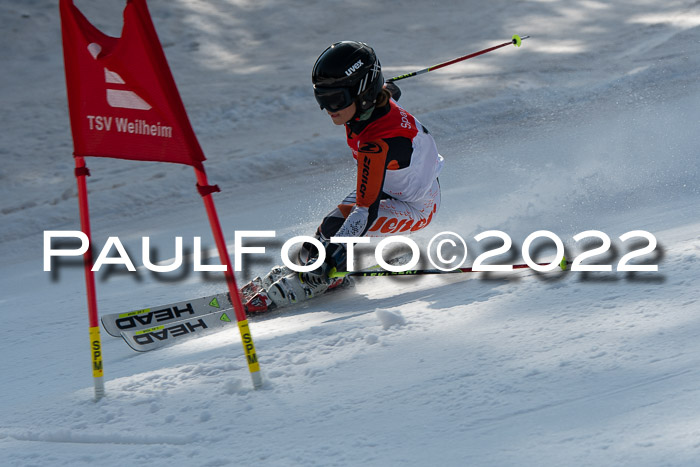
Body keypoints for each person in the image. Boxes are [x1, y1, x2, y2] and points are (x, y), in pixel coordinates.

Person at [260, 41, 445, 310]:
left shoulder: (377, 141)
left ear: (362, 94)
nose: (329, 109)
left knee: (336, 240)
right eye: (321, 99)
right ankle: (317, 265)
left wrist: (333, 258)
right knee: (323, 234)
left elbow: (364, 211)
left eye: (336, 99)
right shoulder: (371, 103)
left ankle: (328, 277)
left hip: (417, 206)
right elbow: (392, 91)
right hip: (392, 187)